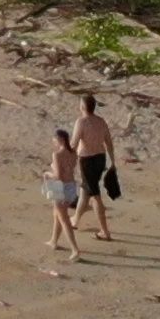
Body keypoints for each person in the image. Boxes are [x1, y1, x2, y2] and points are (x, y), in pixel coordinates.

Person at [72, 92, 119, 241]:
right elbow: (109, 143)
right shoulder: (101, 121)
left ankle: (104, 231)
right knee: (85, 189)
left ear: (83, 106)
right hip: (100, 158)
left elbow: (73, 144)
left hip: (87, 160)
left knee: (95, 195)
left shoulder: (81, 122)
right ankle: (75, 219)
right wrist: (112, 162)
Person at [43, 125, 84, 260]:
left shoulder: (57, 154)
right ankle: (54, 241)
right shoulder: (73, 153)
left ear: (59, 139)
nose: (53, 142)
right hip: (71, 186)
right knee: (57, 214)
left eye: (55, 139)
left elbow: (59, 176)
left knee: (64, 219)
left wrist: (48, 173)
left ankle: (75, 249)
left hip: (61, 187)